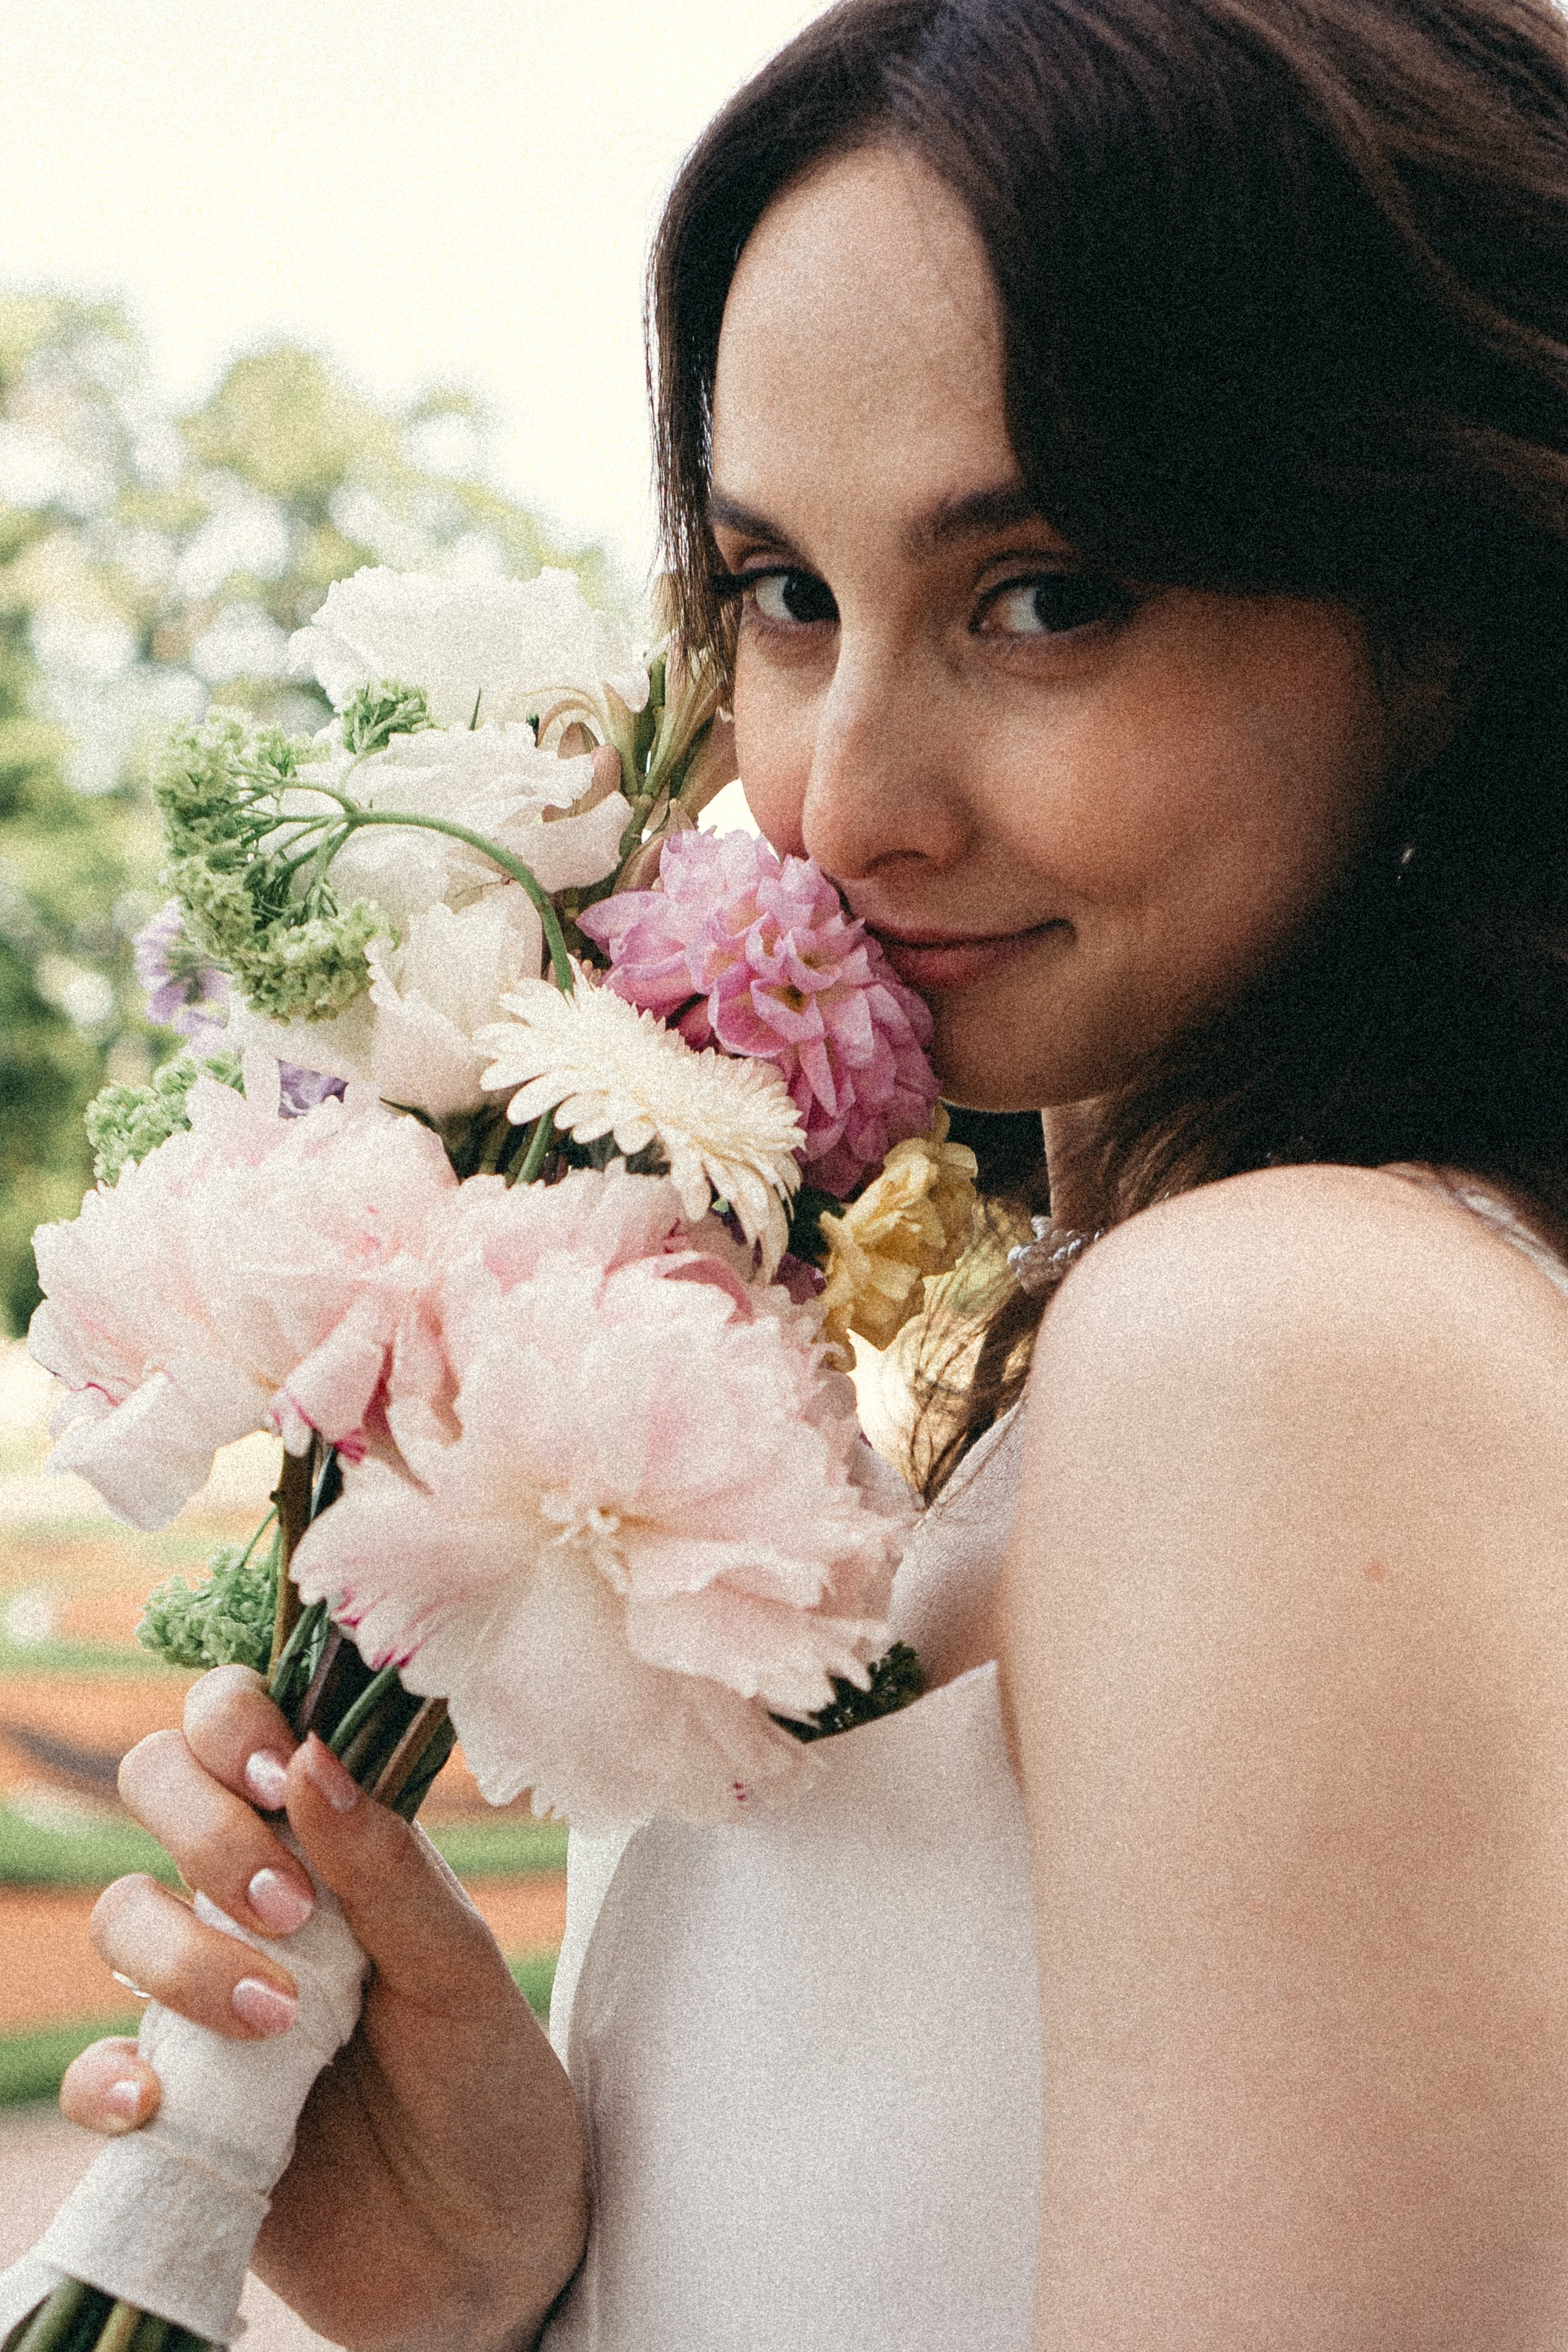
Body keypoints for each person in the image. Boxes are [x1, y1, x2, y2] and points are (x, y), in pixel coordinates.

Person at [62, 0, 1568, 2343]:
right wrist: (509, 2284)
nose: (841, 796)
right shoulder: (1128, 1337)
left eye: (1044, 594)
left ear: (1443, 616)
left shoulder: (1295, 1346)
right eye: (784, 593)